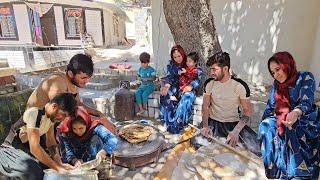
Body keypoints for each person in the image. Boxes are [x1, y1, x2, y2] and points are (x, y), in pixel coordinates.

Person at [2, 54, 116, 147]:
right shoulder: (57, 82)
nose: (86, 82)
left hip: (52, 126)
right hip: (37, 131)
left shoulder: (73, 83)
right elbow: (66, 112)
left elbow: (78, 105)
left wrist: (98, 113)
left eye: (88, 78)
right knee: (91, 133)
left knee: (96, 131)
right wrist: (100, 121)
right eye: (83, 78)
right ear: (71, 73)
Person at [258, 51, 320, 179]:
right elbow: (271, 106)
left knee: (293, 126)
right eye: (272, 72)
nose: (275, 75)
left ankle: (299, 174)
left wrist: (296, 112)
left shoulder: (305, 77)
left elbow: (306, 101)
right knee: (266, 126)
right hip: (283, 117)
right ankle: (275, 172)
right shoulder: (277, 85)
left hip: (306, 117)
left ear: (286, 64)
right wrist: (263, 124)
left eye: (277, 69)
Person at [195, 51, 260, 155]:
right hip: (213, 123)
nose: (211, 73)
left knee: (256, 149)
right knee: (196, 143)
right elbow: (205, 107)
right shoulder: (209, 83)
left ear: (225, 69)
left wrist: (236, 131)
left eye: (214, 69)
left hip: (233, 124)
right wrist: (205, 126)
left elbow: (247, 112)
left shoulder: (240, 86)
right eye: (211, 69)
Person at [0, 93, 77, 179]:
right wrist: (57, 168)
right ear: (54, 106)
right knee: (34, 172)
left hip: (25, 152)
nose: (63, 119)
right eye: (63, 115)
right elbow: (35, 148)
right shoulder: (35, 113)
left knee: (49, 170)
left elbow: (51, 142)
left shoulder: (51, 118)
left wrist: (59, 164)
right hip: (9, 150)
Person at [160, 45, 203, 134]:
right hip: (176, 88)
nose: (177, 59)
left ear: (182, 54)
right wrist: (168, 88)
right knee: (165, 94)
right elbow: (170, 78)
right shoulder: (171, 65)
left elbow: (197, 76)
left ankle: (178, 124)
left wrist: (191, 86)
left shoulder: (188, 62)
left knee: (186, 97)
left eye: (179, 56)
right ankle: (168, 122)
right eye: (175, 57)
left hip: (188, 89)